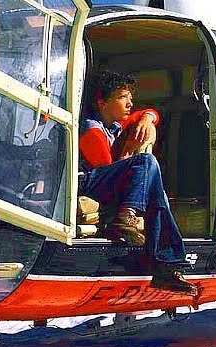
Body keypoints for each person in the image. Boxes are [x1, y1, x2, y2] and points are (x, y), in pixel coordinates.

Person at [79, 69, 198, 296]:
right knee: (146, 162)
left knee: (156, 191)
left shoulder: (114, 126)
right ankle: (129, 217)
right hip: (89, 181)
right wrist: (128, 158)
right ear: (103, 103)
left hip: (103, 179)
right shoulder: (90, 129)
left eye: (130, 97)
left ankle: (165, 266)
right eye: (123, 97)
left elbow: (150, 112)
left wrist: (147, 118)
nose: (130, 103)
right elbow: (105, 167)